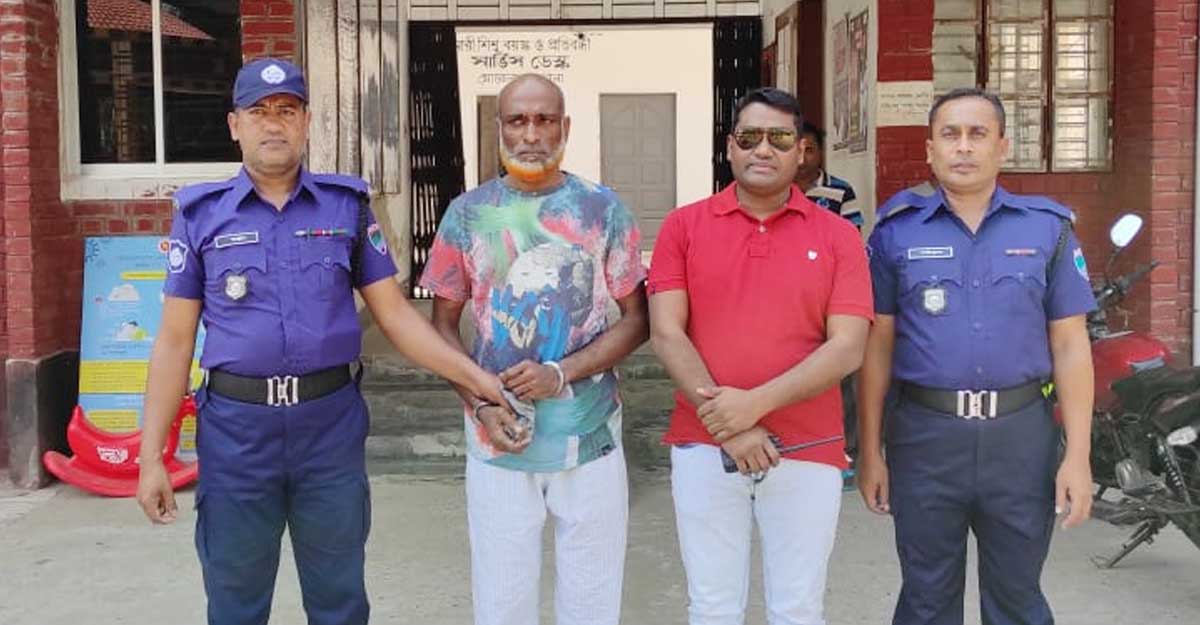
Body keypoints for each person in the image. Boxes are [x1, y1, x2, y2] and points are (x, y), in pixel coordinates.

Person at [134, 58, 506, 625]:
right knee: (235, 598)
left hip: (328, 428)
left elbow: (396, 317)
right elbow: (174, 342)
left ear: (307, 121)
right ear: (235, 124)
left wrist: (476, 378)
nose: (273, 123)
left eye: (287, 110)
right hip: (236, 433)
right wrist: (150, 459)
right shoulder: (200, 215)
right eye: (258, 111)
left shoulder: (346, 206)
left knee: (339, 597)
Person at [857, 87, 1096, 625]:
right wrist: (871, 451)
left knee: (1017, 598)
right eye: (950, 134)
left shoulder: (1047, 228)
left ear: (1002, 146)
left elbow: (1070, 344)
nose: (963, 147)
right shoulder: (895, 232)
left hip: (1020, 437)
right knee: (925, 599)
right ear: (930, 149)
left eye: (977, 134)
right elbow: (877, 347)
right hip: (925, 438)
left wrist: (1078, 456)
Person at [419, 73, 649, 625]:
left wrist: (560, 373)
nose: (530, 134)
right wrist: (481, 404)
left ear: (564, 126)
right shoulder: (468, 213)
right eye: (517, 120)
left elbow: (638, 320)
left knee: (592, 605)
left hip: (589, 437)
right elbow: (440, 328)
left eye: (544, 120)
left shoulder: (602, 209)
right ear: (499, 128)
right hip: (497, 440)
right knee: (502, 605)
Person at [648, 87, 873, 625]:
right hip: (705, 446)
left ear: (802, 150)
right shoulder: (683, 226)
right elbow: (666, 333)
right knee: (712, 606)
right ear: (730, 147)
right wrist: (731, 426)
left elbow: (848, 346)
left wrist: (751, 407)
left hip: (809, 447)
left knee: (798, 608)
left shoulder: (839, 236)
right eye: (749, 137)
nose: (763, 149)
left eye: (779, 138)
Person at [796, 121, 862, 229]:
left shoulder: (842, 190)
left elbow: (853, 233)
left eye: (809, 150)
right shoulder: (777, 190)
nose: (802, 158)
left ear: (821, 152)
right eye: (797, 151)